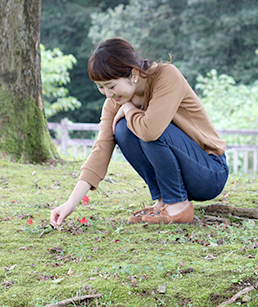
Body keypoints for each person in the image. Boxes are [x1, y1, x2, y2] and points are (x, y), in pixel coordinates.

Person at [50, 38, 228, 226]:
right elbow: (100, 149)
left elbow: (151, 131)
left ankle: (178, 205)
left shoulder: (166, 76)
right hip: (183, 175)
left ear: (134, 74)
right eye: (100, 87)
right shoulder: (115, 100)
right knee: (122, 130)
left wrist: (128, 109)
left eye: (111, 86)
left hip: (209, 172)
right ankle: (163, 202)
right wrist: (70, 203)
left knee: (147, 128)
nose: (108, 94)